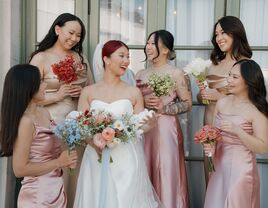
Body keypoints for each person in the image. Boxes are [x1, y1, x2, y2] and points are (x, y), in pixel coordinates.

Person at [74, 40, 161, 208]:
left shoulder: (133, 92)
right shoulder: (88, 92)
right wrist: (93, 142)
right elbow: (81, 126)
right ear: (106, 59)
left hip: (126, 158)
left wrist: (149, 124)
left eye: (128, 56)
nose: (126, 61)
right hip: (95, 156)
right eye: (121, 56)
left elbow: (138, 127)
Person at [29, 13, 94, 207]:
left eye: (78, 36)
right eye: (71, 33)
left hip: (75, 127)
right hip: (48, 126)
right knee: (52, 178)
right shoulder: (41, 58)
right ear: (58, 29)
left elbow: (92, 91)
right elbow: (27, 97)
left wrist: (80, 91)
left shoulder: (79, 59)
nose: (74, 39)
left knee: (74, 176)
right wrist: (58, 95)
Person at [0, 64, 78, 208]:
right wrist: (58, 163)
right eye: (41, 82)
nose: (45, 84)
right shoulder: (26, 122)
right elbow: (19, 169)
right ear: (28, 87)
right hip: (37, 196)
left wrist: (66, 160)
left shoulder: (44, 112)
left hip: (55, 189)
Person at [135, 29, 191, 208]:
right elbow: (134, 103)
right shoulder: (140, 74)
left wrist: (164, 107)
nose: (148, 47)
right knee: (144, 169)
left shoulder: (176, 73)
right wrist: (142, 101)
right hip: (144, 128)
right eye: (148, 43)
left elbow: (187, 104)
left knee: (167, 172)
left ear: (166, 49)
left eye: (153, 44)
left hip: (167, 130)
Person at [203, 59, 268, 208]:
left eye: (235, 77)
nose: (229, 80)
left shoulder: (256, 110)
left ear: (248, 82)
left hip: (241, 171)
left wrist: (238, 131)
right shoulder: (222, 103)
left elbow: (263, 148)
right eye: (229, 75)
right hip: (218, 168)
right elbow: (214, 135)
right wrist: (210, 147)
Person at [196, 16, 253, 184]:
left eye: (223, 33)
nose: (218, 38)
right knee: (211, 176)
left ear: (235, 33)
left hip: (231, 128)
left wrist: (218, 97)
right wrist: (203, 94)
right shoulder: (213, 64)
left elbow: (249, 102)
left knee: (230, 179)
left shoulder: (246, 64)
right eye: (216, 34)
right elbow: (203, 98)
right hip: (209, 125)